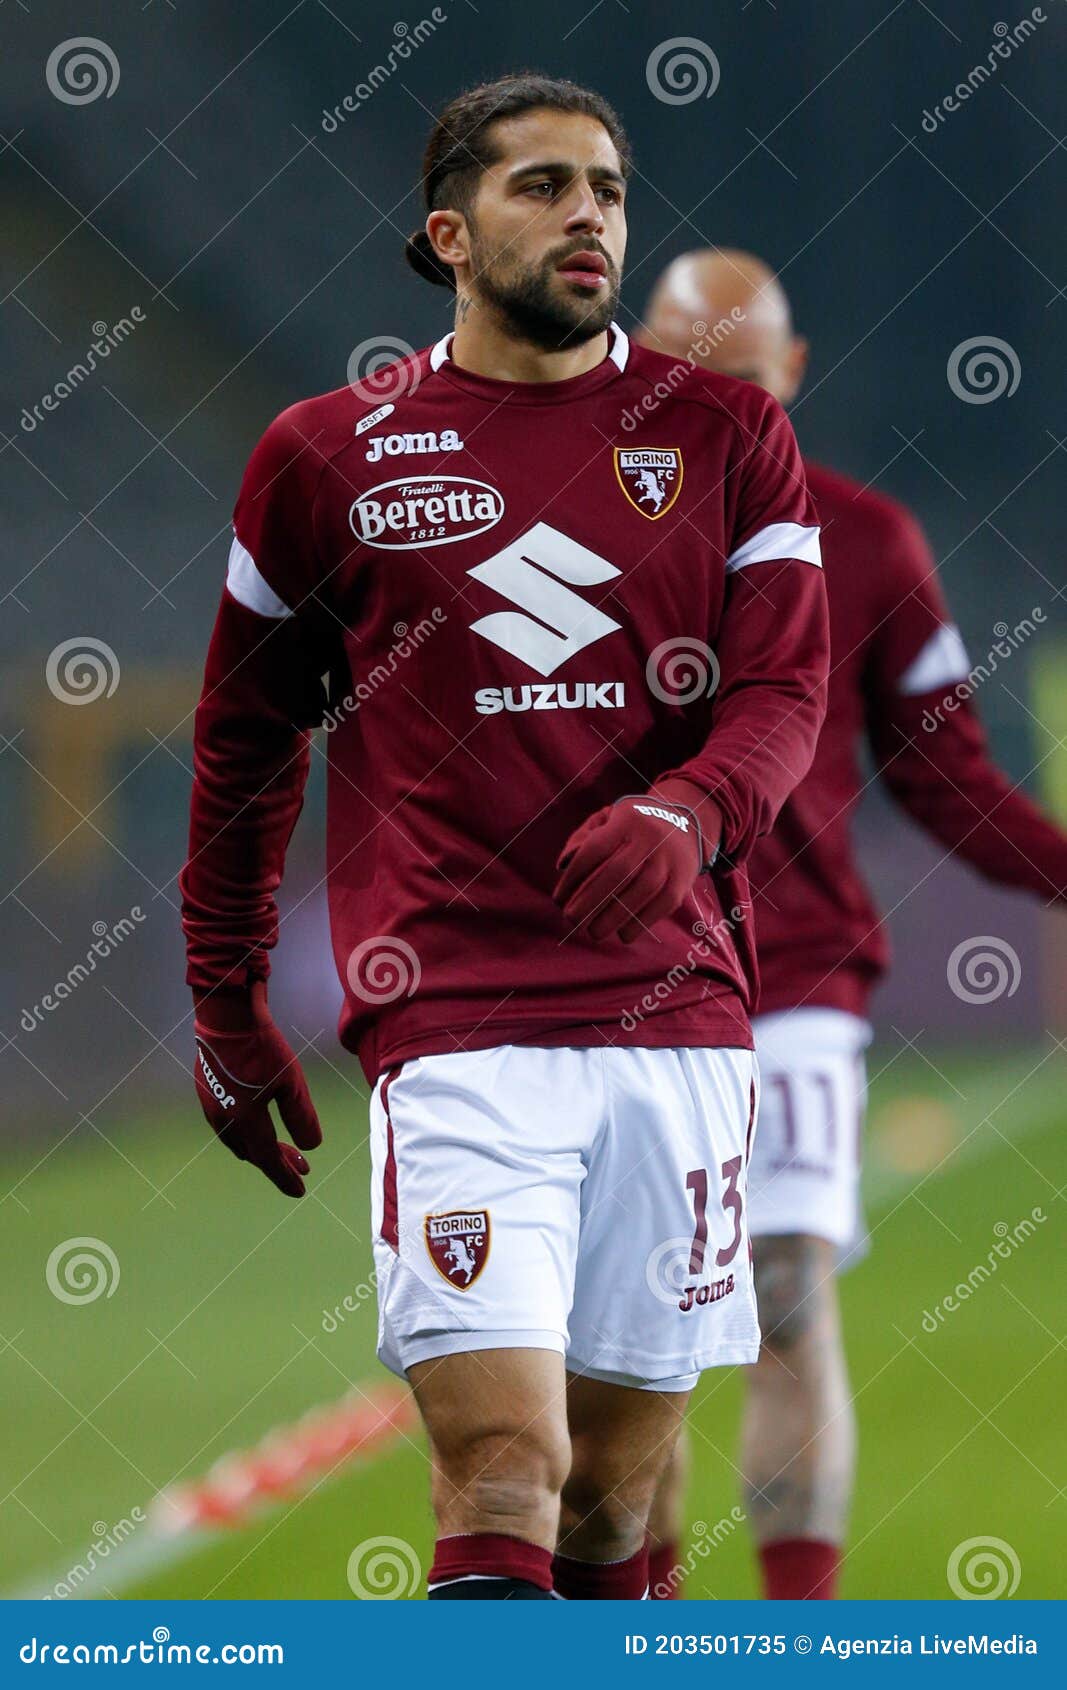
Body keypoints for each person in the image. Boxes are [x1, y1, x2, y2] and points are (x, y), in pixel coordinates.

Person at [180, 86, 829, 1600]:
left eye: (607, 186)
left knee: (610, 1497)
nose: (590, 213)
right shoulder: (326, 453)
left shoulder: (729, 434)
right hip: (458, 1019)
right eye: (544, 187)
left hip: (679, 1021)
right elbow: (244, 740)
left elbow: (786, 690)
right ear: (451, 234)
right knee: (501, 1462)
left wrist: (692, 806)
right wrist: (223, 1000)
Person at [639, 249, 1067, 1601]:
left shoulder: (868, 541)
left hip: (792, 984)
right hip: (604, 988)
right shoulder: (572, 540)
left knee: (781, 1310)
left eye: (743, 382)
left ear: (794, 375)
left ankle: (798, 1634)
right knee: (629, 1346)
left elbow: (949, 780)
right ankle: (634, 1626)